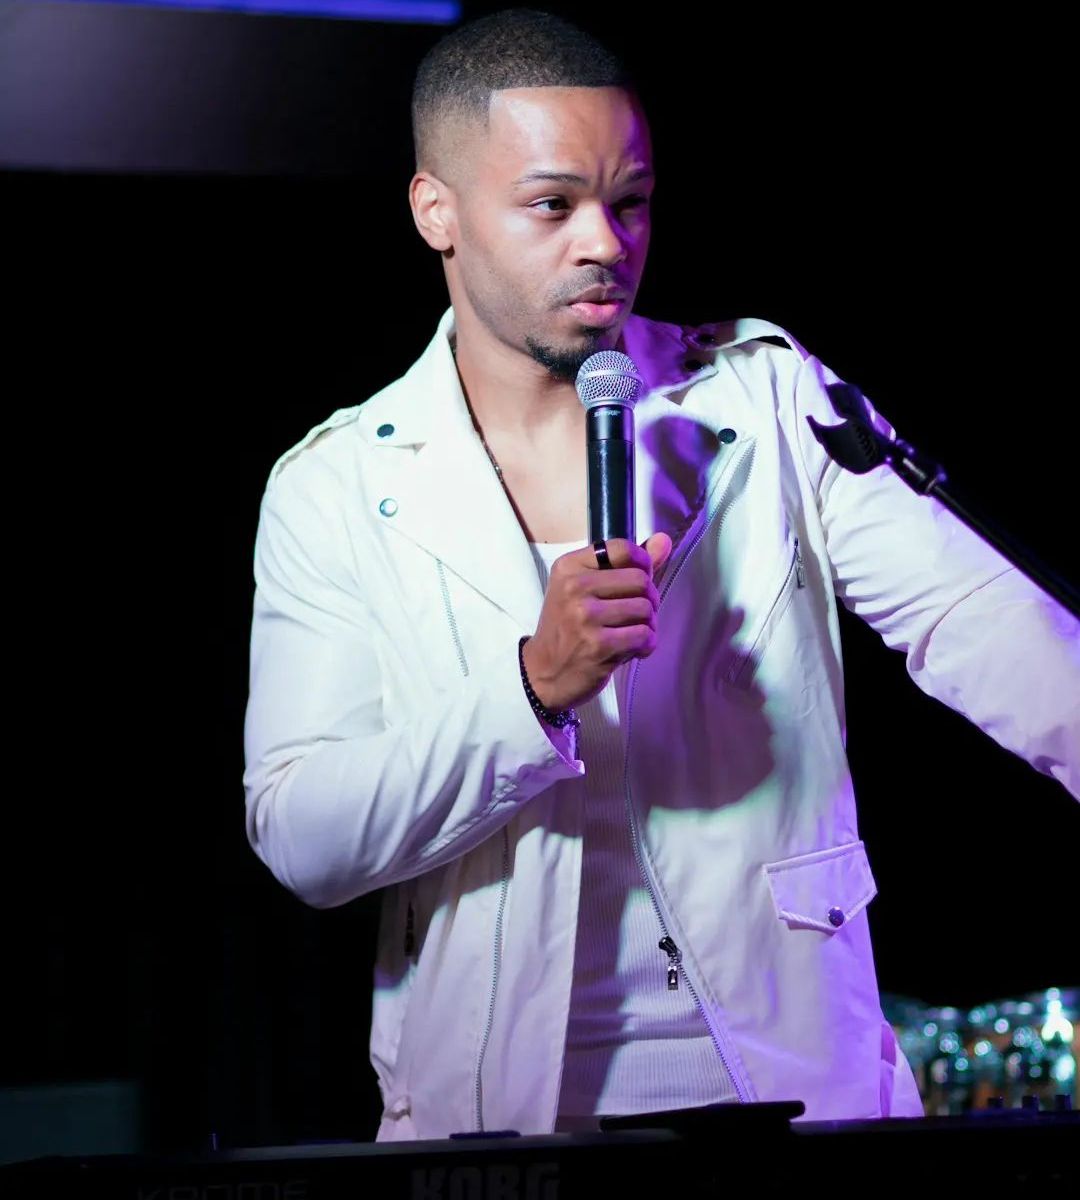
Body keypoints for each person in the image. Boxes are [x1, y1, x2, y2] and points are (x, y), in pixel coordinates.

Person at [243, 9, 1079, 1140]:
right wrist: (531, 687)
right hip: (507, 1120)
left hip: (790, 1084)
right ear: (436, 211)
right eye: (553, 205)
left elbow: (980, 623)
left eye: (629, 201)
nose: (606, 241)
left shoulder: (765, 396)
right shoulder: (339, 484)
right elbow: (306, 835)